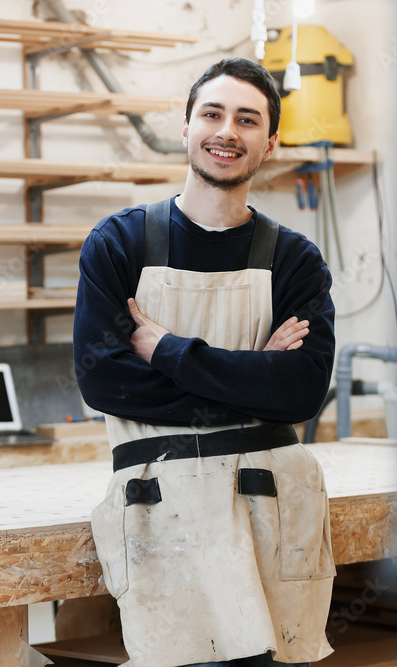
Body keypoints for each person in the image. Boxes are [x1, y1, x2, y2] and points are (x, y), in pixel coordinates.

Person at [73, 57, 336, 667]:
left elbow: (299, 393)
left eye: (248, 120)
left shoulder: (294, 259)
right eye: (212, 114)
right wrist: (252, 379)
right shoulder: (120, 244)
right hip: (165, 508)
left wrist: (166, 351)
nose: (228, 131)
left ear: (269, 143)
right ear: (186, 127)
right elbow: (106, 381)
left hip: (272, 506)